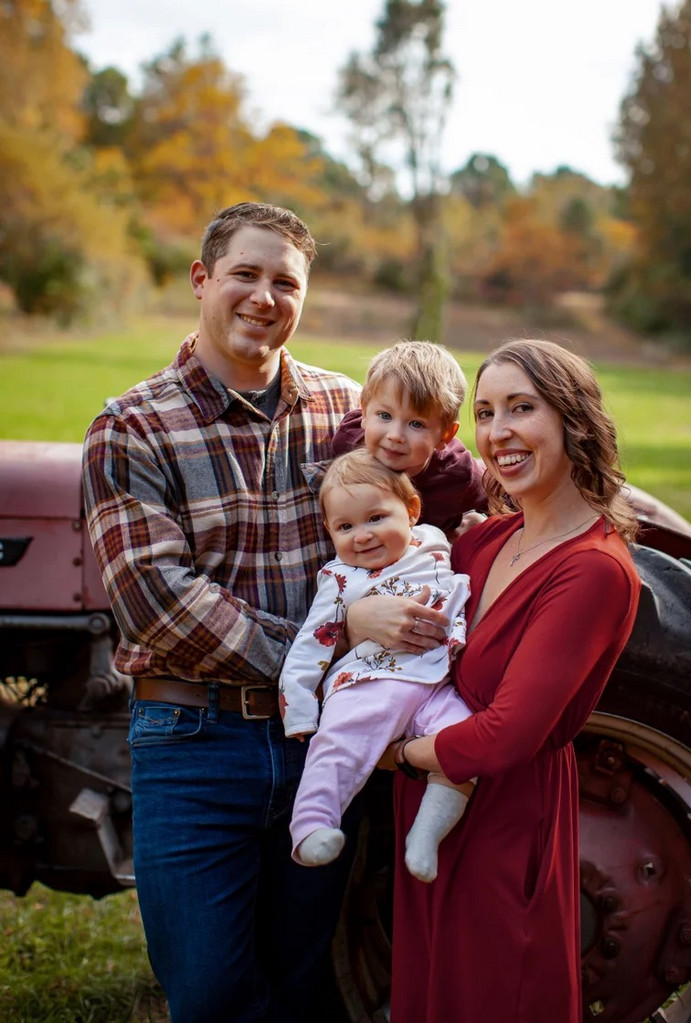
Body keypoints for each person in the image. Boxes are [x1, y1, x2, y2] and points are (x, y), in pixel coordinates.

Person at [81, 201, 408, 1023]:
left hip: (325, 743)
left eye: (284, 282)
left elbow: (439, 478)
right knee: (212, 993)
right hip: (195, 741)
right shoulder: (131, 426)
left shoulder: (348, 413)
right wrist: (328, 649)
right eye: (245, 274)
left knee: (306, 981)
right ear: (201, 280)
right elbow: (158, 600)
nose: (264, 297)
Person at [347, 338, 642, 1023]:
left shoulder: (593, 568)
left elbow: (508, 732)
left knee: (493, 993)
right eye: (483, 411)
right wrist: (360, 615)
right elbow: (395, 626)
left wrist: (389, 752)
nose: (497, 431)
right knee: (428, 994)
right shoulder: (479, 544)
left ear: (573, 422)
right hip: (429, 811)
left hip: (507, 819)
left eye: (520, 408)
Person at [280, 449, 473, 884]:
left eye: (375, 518)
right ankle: (311, 825)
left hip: (435, 682)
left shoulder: (432, 542)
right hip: (370, 681)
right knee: (337, 747)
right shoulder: (340, 580)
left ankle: (426, 833)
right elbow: (310, 647)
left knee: (463, 747)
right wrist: (300, 710)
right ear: (330, 532)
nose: (362, 536)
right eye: (345, 527)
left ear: (411, 512)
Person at [332, 339, 489, 535]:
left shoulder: (458, 472)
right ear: (364, 412)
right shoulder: (348, 442)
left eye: (416, 424)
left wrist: (479, 524)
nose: (395, 435)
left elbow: (502, 492)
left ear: (445, 435)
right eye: (385, 416)